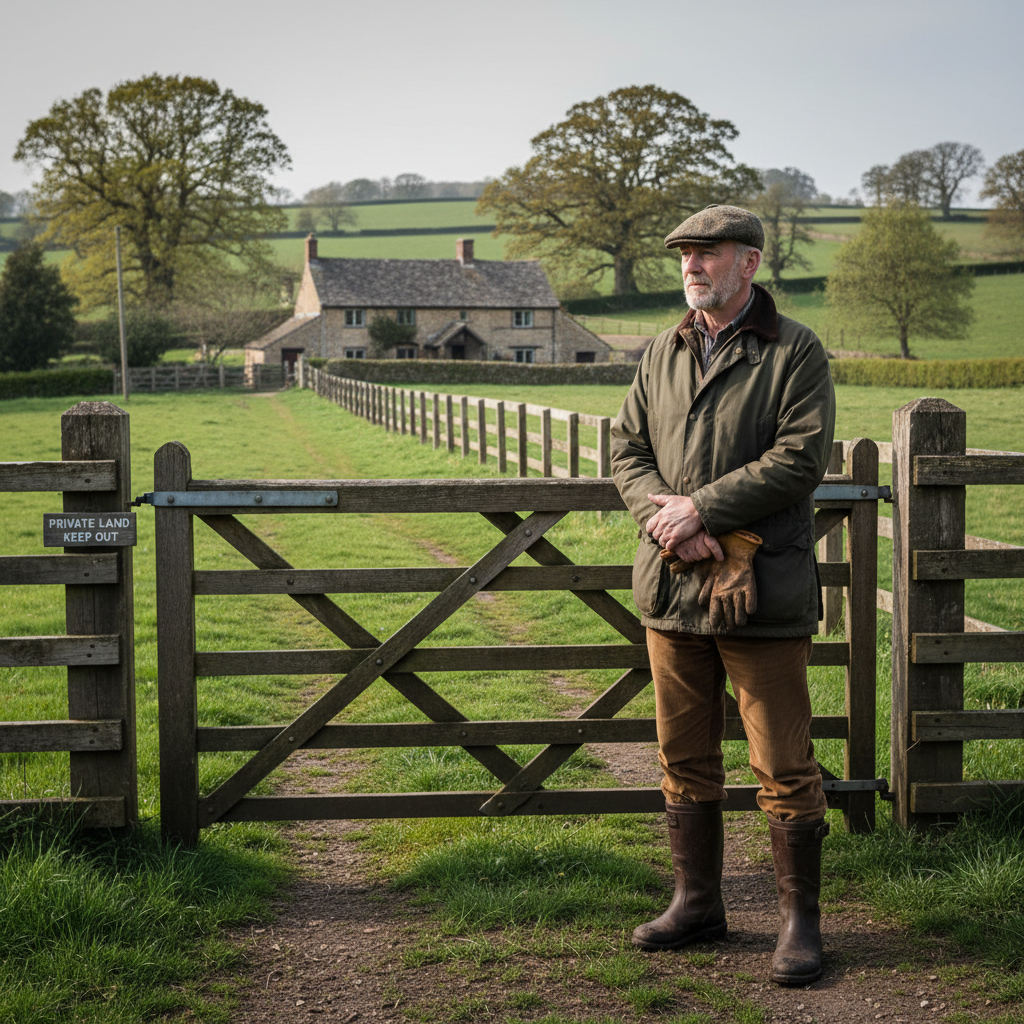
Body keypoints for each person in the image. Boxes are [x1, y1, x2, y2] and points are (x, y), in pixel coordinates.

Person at [610, 205, 836, 985]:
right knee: (684, 756)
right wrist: (673, 524)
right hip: (673, 587)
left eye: (708, 253)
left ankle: (800, 925)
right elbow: (627, 452)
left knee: (783, 762)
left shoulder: (795, 349)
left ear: (750, 261)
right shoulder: (660, 351)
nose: (691, 265)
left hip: (762, 590)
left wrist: (703, 508)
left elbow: (801, 459)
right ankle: (698, 903)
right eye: (684, 254)